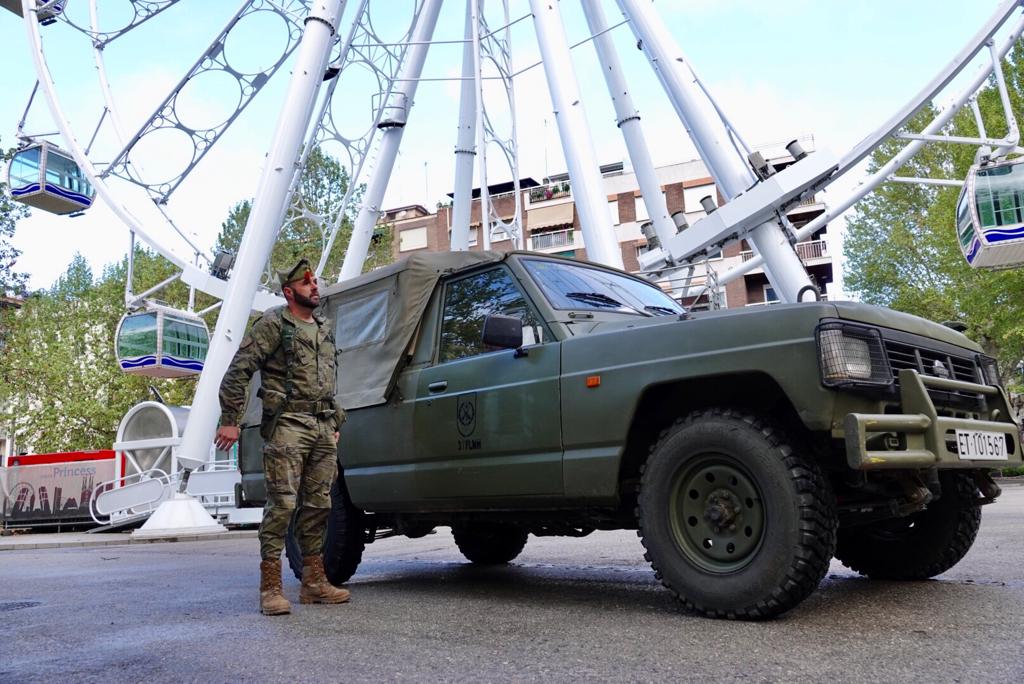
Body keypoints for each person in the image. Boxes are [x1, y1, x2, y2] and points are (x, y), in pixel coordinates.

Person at [215, 258, 349, 616]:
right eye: (307, 284)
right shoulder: (274, 324)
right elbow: (239, 370)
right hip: (288, 423)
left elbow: (328, 379)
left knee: (320, 505)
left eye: (316, 282)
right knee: (283, 505)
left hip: (321, 426)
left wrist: (334, 421)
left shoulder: (323, 327)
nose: (315, 287)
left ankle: (314, 582)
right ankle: (271, 588)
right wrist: (230, 419)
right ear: (289, 291)